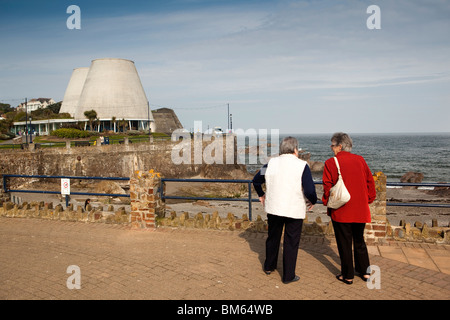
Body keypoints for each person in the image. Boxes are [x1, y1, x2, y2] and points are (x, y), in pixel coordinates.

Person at [252, 136, 317, 284]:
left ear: (282, 150)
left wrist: (261, 195)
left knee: (273, 237)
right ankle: (288, 276)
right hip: (293, 208)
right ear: (295, 150)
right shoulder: (302, 165)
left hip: (274, 207)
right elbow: (309, 189)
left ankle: (269, 266)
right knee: (291, 242)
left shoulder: (271, 164)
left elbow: (256, 181)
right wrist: (312, 201)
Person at [322, 132, 376, 285]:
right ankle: (365, 273)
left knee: (344, 243)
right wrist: (369, 199)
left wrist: (327, 202)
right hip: (360, 209)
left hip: (341, 210)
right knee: (359, 241)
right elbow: (370, 182)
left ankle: (348, 275)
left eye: (332, 145)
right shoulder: (360, 160)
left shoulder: (331, 163)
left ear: (340, 146)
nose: (331, 148)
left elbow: (327, 187)